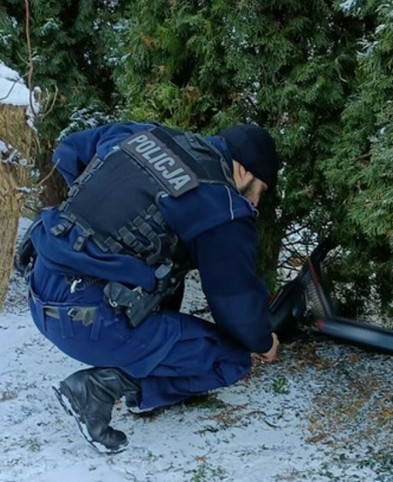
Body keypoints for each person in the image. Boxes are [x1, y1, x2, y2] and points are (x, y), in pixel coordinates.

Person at [19, 121, 281, 454]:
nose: (256, 203)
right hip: (85, 322)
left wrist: (93, 228)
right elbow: (235, 301)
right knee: (230, 359)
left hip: (39, 285)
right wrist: (262, 341)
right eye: (260, 190)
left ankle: (132, 366)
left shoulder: (143, 134)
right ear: (243, 171)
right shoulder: (220, 203)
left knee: (166, 274)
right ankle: (103, 390)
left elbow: (68, 151)